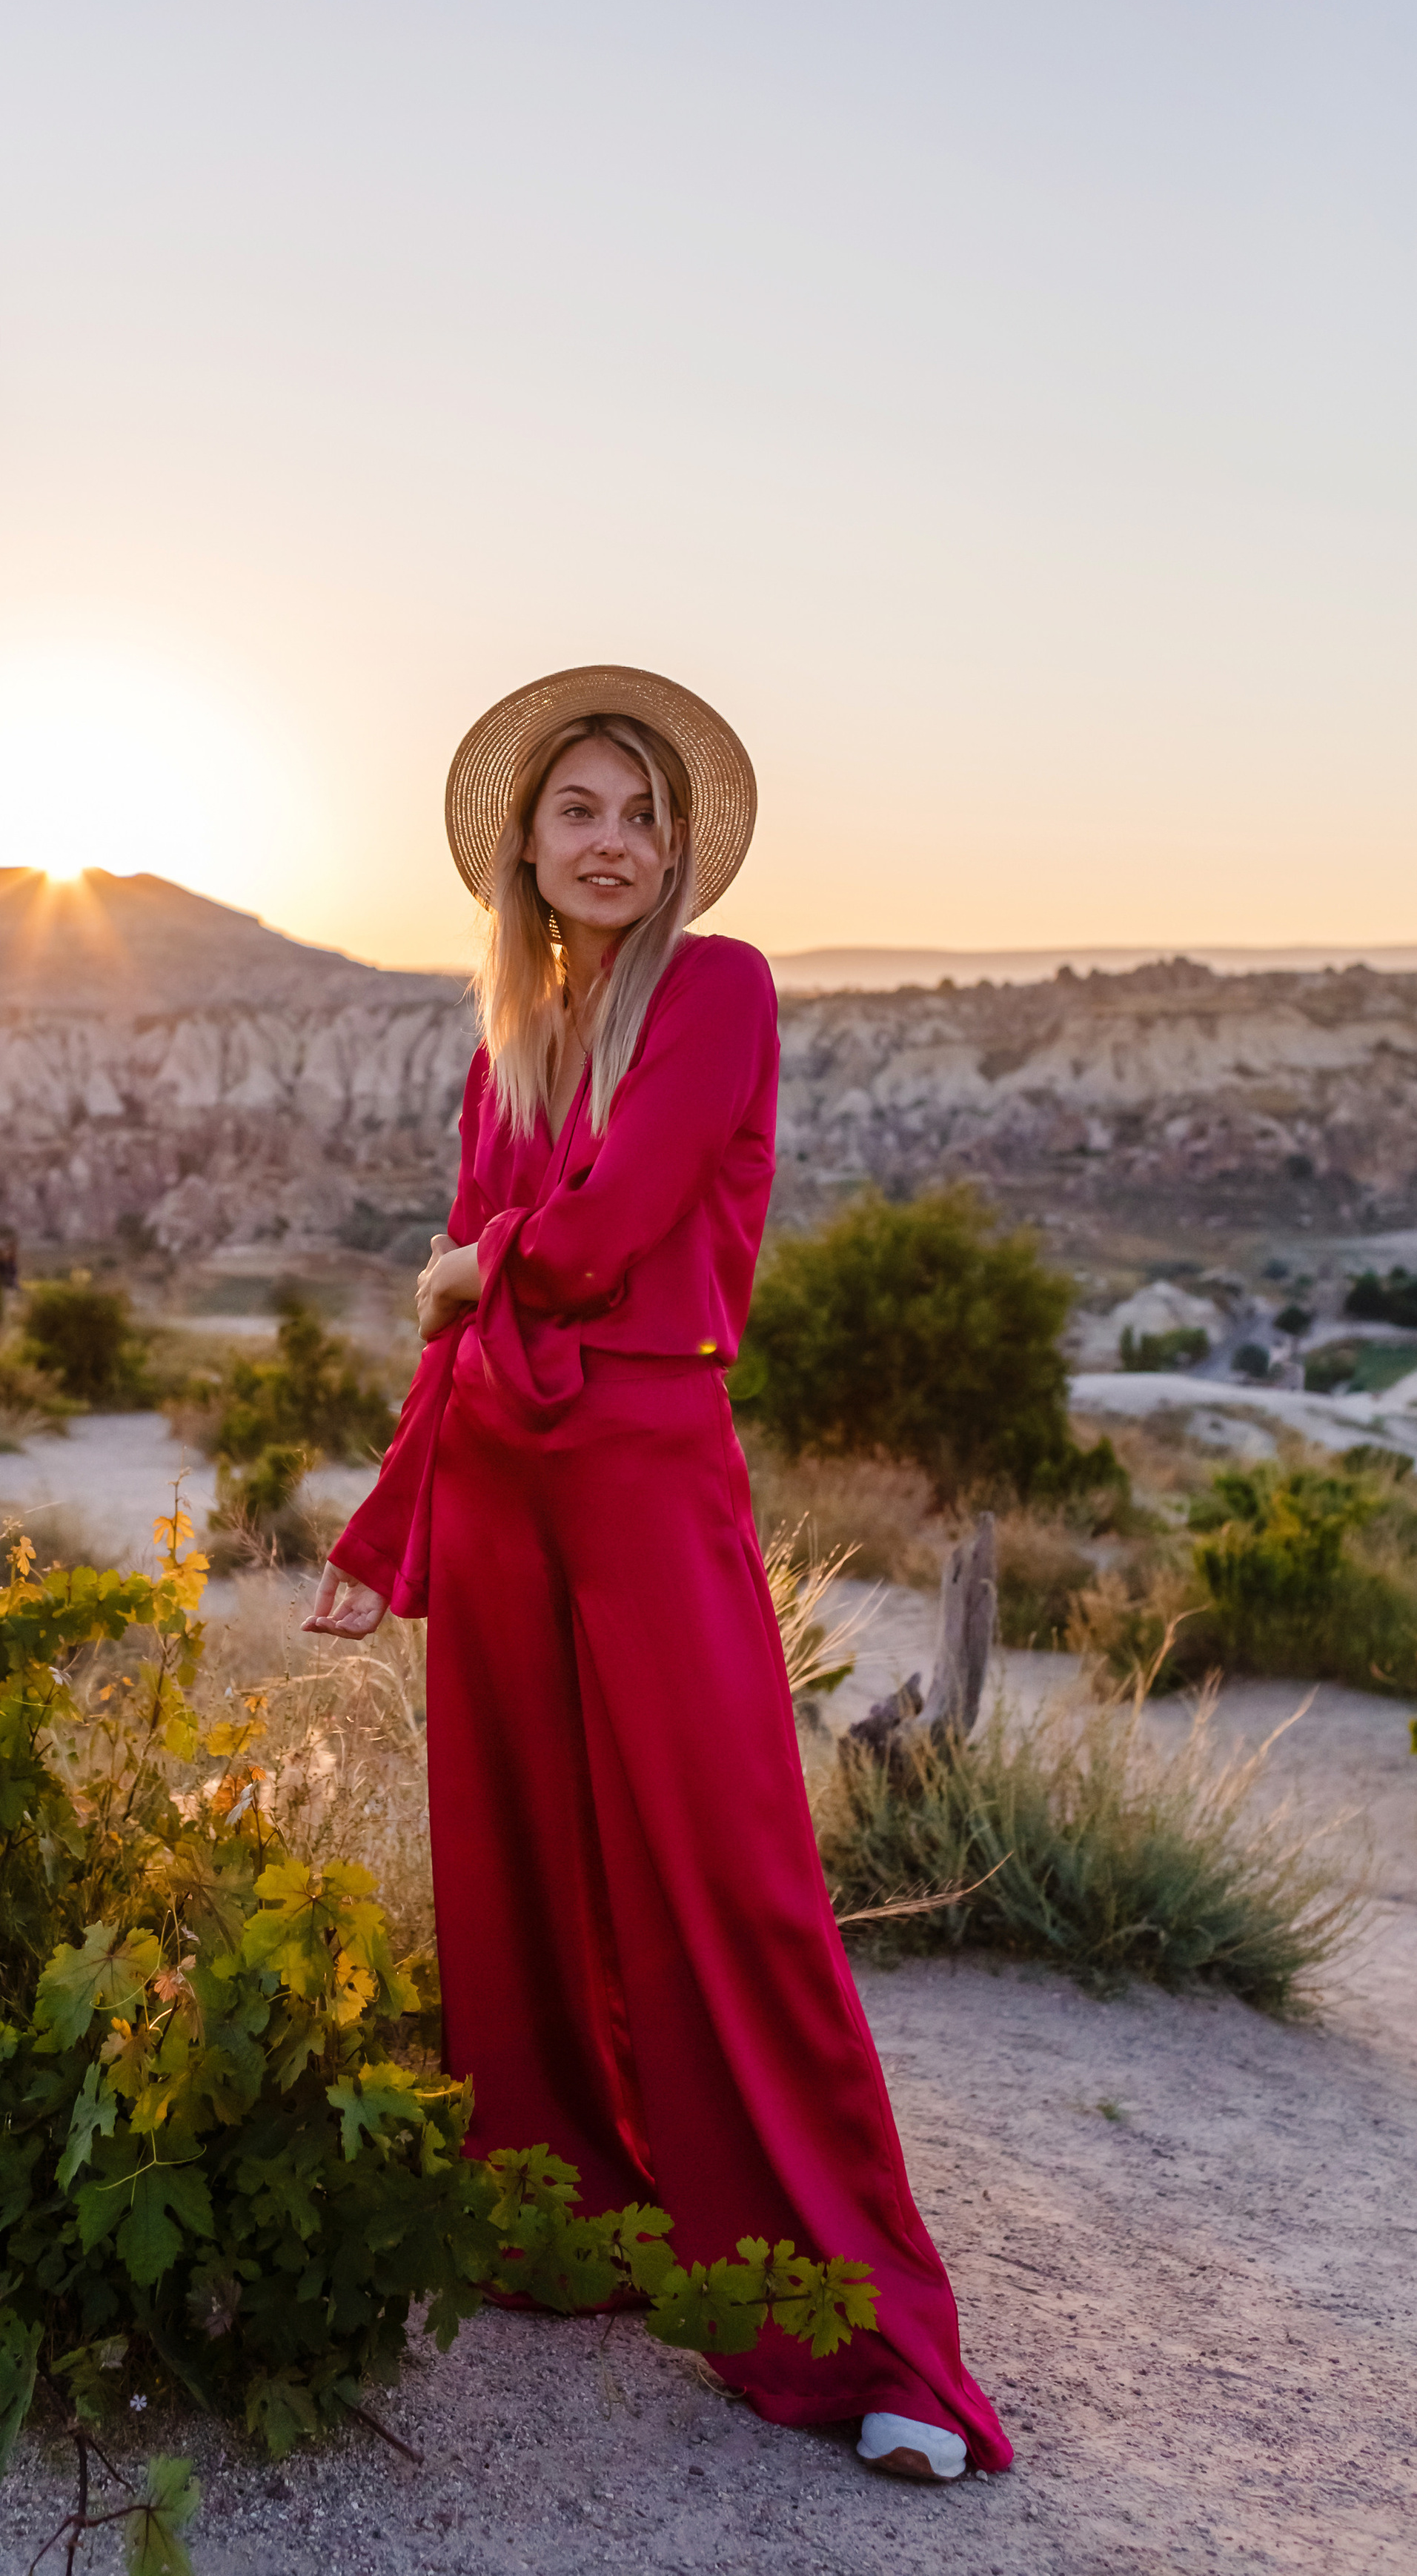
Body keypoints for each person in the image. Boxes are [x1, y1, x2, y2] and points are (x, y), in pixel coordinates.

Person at [303, 665, 1011, 2486]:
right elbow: (459, 1342)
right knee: (517, 1869)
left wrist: (470, 1265)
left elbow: (605, 1231)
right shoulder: (506, 1044)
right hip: (506, 1485)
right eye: (578, 814)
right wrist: (387, 1531)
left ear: (676, 846)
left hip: (646, 1472)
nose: (611, 842)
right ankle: (563, 2232)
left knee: (725, 1883)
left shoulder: (719, 989)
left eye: (639, 815)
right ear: (524, 852)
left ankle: (859, 2342)